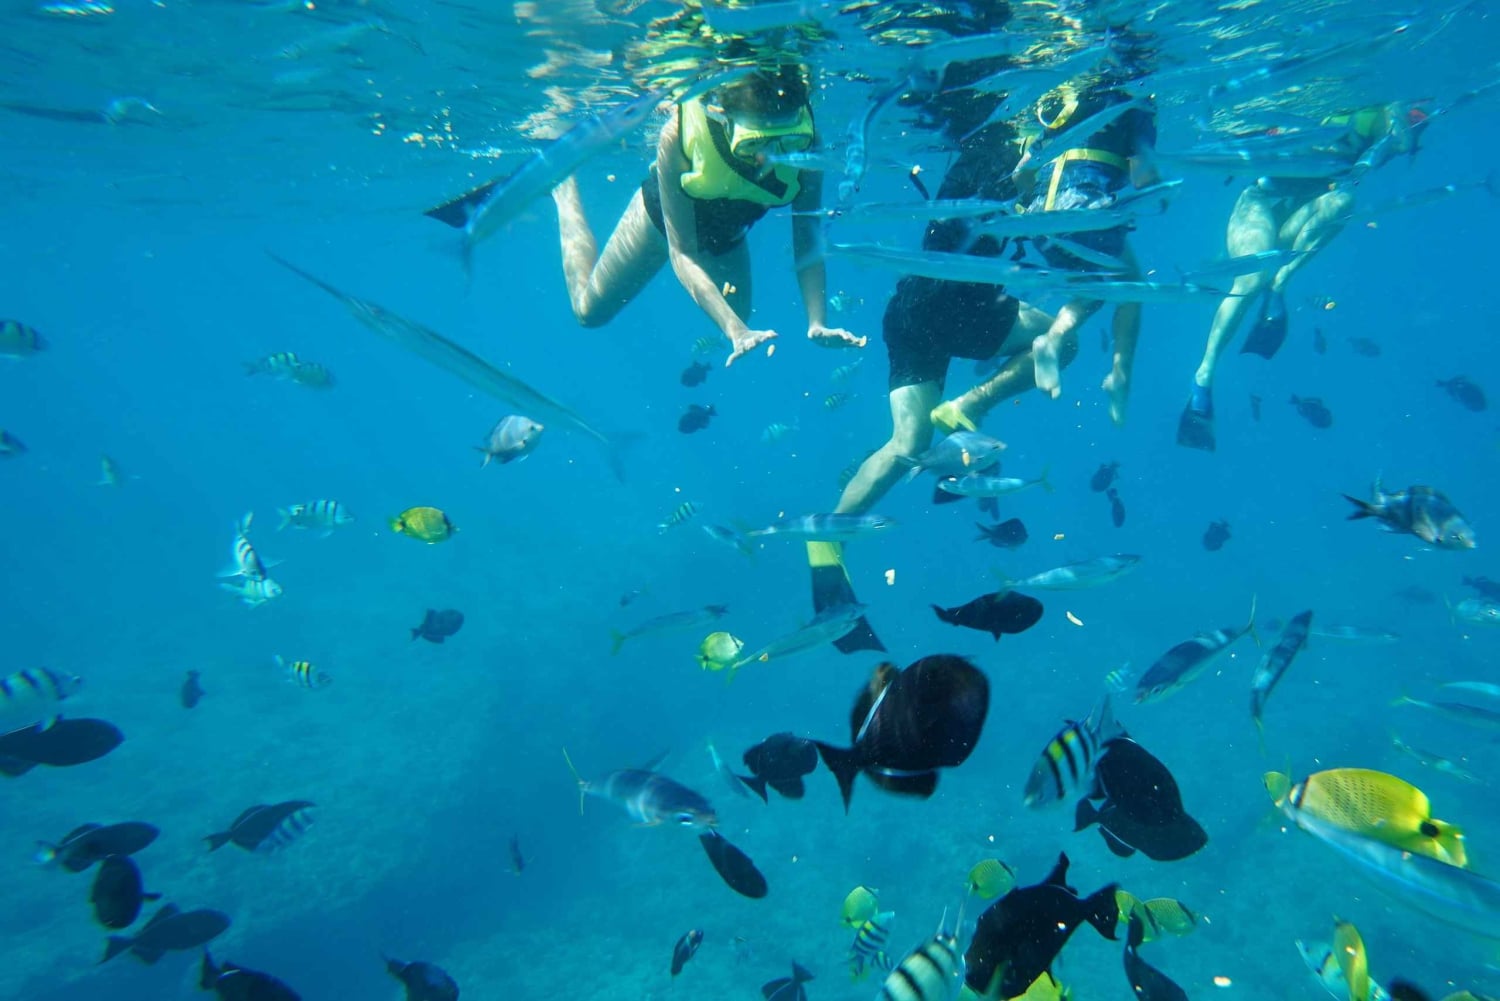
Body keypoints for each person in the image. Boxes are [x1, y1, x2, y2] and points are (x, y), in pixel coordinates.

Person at [805, 83, 1072, 651]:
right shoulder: (1016, 149)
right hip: (963, 308)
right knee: (1062, 339)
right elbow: (1027, 192)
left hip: (908, 305)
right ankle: (972, 403)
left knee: (907, 443)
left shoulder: (973, 153)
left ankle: (828, 535)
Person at [551, 65, 864, 365]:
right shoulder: (676, 134)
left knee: (742, 314)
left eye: (787, 140)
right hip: (662, 223)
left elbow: (807, 237)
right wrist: (734, 331)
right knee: (589, 313)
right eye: (752, 143)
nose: (767, 156)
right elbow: (682, 250)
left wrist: (817, 321)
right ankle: (563, 186)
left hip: (728, 232)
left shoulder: (810, 145)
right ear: (721, 117)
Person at [1177, 102, 1427, 451]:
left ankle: (1280, 284)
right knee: (1250, 280)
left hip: (1301, 218)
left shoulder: (1377, 140)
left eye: (1417, 124)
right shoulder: (1337, 114)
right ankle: (1203, 376)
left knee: (1344, 201)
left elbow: (1393, 140)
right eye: (1411, 120)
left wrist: (1402, 135)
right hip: (1260, 204)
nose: (1409, 133)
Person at [1010, 76, 1160, 426]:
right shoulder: (1134, 103)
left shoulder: (1065, 105)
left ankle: (1052, 342)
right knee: (1131, 288)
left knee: (1090, 289)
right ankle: (1118, 376)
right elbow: (1144, 178)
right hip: (1084, 209)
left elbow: (1020, 175)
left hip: (1039, 216)